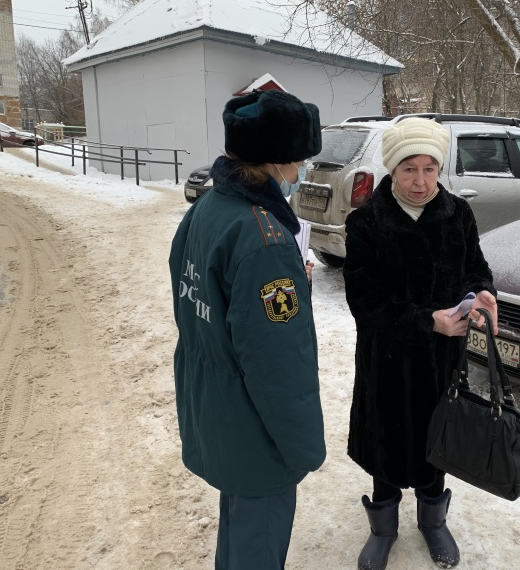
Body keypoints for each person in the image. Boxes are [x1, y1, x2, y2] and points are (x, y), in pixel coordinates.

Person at [169, 90, 326, 570]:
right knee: (258, 543)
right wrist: (304, 447)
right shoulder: (264, 239)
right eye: (298, 162)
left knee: (238, 533)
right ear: (277, 162)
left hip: (216, 411)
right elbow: (280, 363)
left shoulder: (208, 209)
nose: (299, 173)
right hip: (257, 431)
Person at [343, 117, 498, 569]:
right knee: (386, 444)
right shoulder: (367, 221)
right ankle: (383, 528)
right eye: (410, 168)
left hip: (442, 358)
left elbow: (475, 267)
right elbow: (365, 299)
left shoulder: (458, 215)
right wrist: (424, 322)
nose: (420, 180)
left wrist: (483, 291)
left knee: (438, 439)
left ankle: (433, 521)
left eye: (430, 168)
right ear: (393, 168)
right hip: (387, 358)